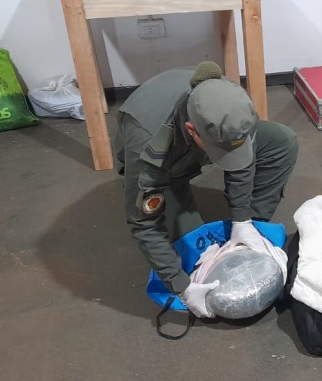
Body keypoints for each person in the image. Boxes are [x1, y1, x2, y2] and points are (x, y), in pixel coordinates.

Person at [114, 61, 298, 317]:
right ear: (192, 130)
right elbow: (144, 224)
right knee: (194, 249)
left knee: (282, 142)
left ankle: (249, 231)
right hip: (166, 164)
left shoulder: (236, 106)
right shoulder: (148, 144)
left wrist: (242, 220)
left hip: (199, 139)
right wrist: (181, 286)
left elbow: (242, 161)